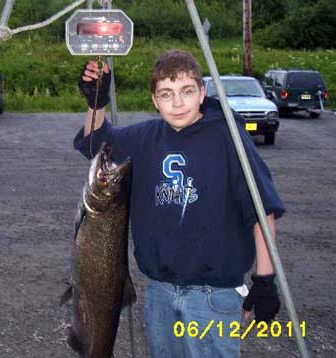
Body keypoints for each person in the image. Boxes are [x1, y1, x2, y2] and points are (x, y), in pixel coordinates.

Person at [73, 50, 285, 357]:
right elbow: (95, 145)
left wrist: (265, 280)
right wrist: (96, 103)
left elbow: (262, 209)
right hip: (159, 291)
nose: (177, 102)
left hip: (214, 295)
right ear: (154, 100)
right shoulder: (145, 137)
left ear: (202, 92)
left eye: (187, 91)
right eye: (166, 94)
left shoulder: (228, 137)